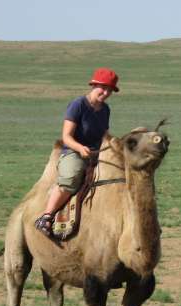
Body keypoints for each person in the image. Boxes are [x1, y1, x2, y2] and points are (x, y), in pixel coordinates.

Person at [35, 67, 120, 238]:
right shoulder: (78, 105)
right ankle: (46, 216)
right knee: (71, 178)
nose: (106, 92)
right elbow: (66, 137)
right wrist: (80, 148)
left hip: (97, 153)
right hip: (73, 152)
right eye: (103, 87)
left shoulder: (105, 110)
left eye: (110, 89)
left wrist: (115, 145)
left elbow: (104, 134)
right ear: (93, 85)